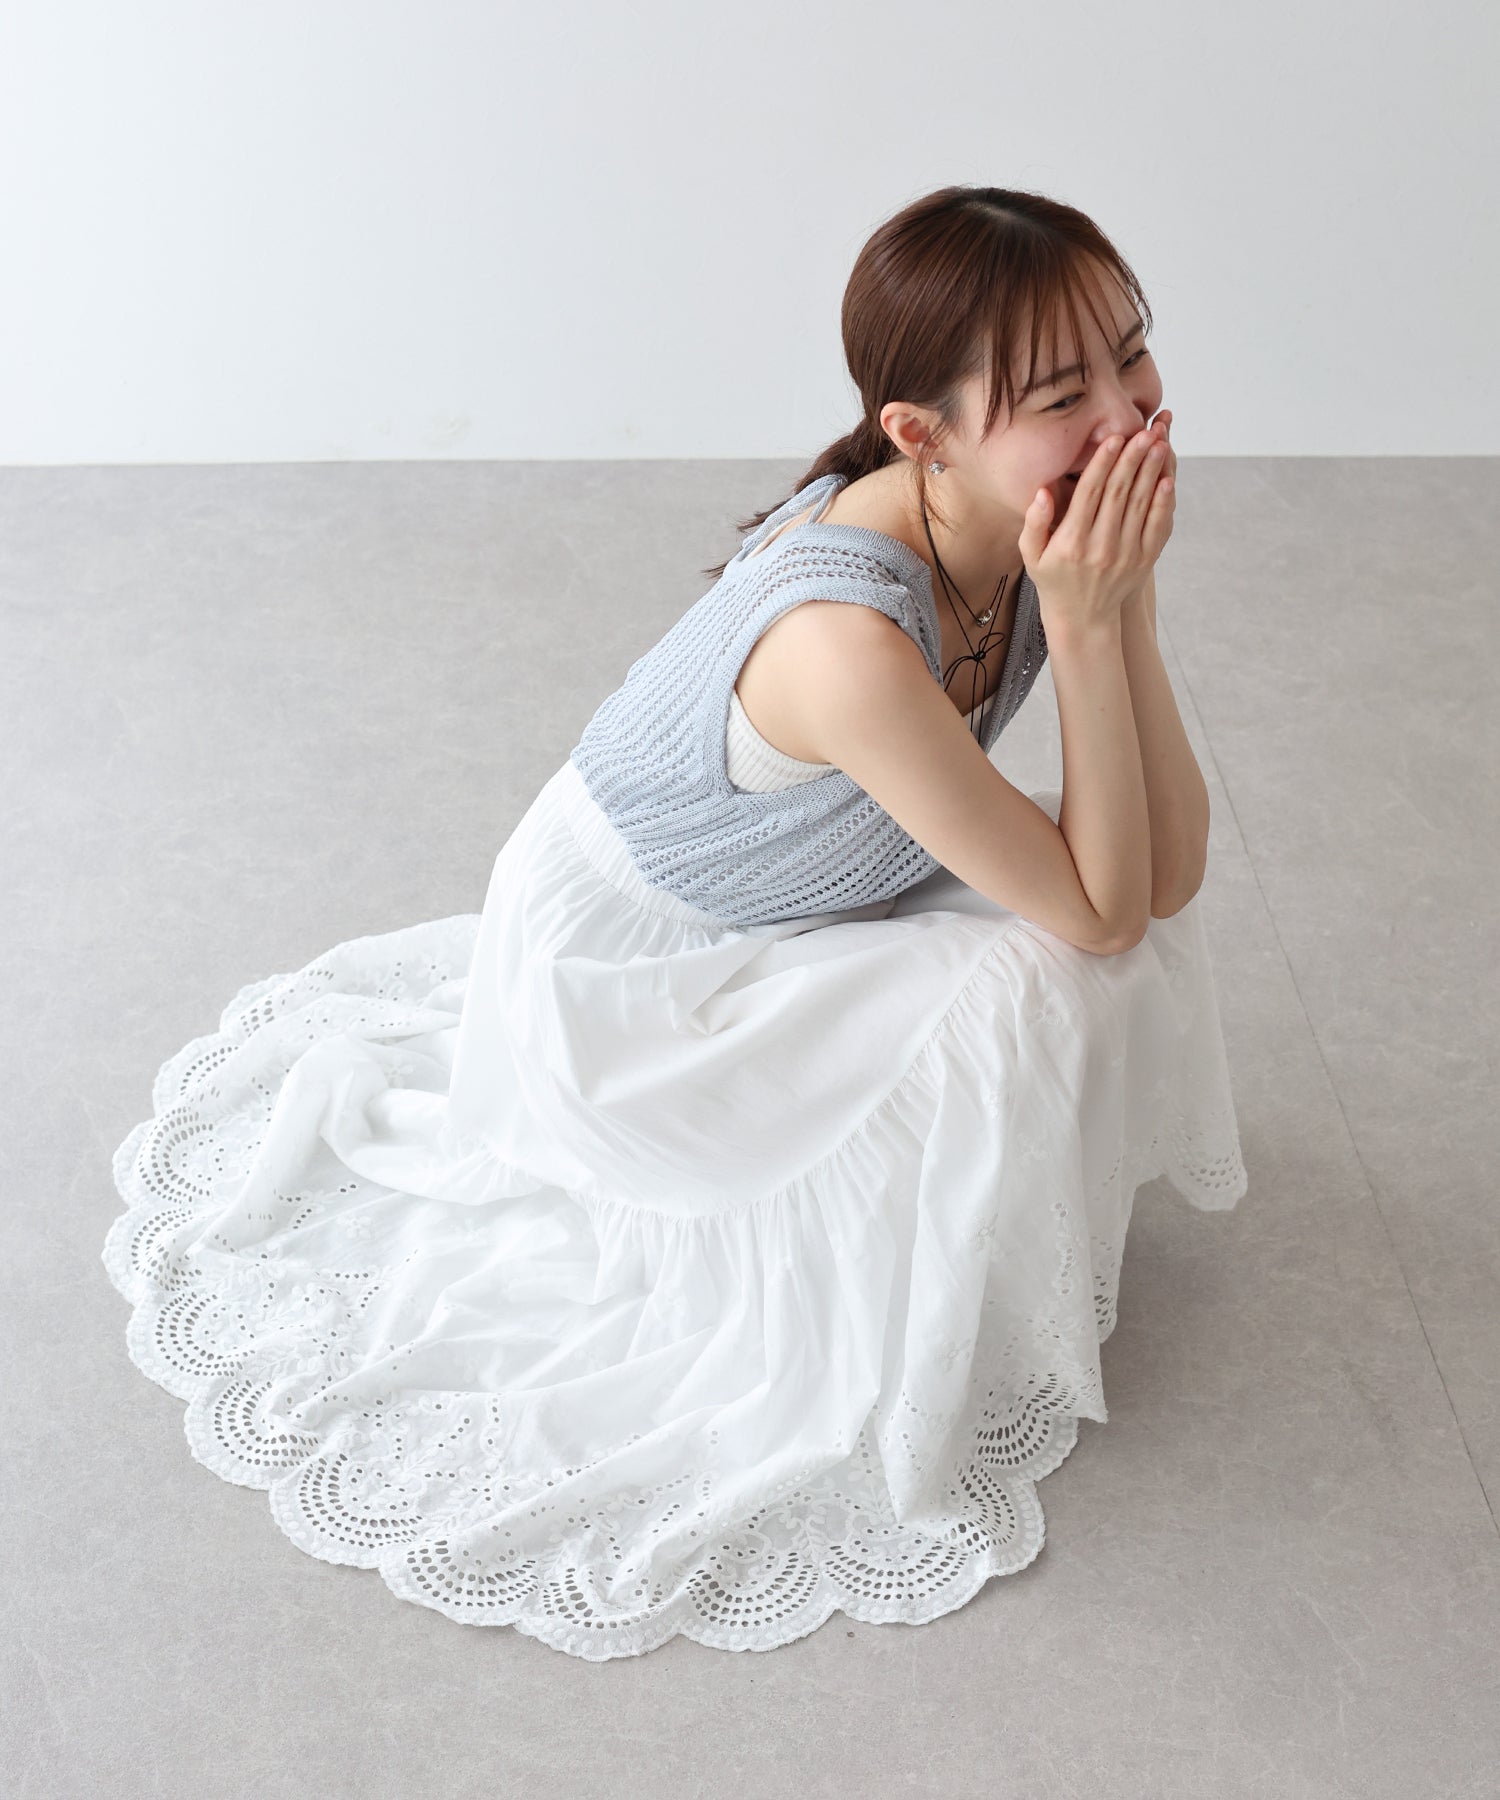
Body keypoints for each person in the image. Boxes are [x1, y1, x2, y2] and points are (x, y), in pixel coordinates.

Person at [103, 183, 1247, 1663]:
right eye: (1060, 394)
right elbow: (1098, 916)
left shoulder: (1040, 530)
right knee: (1046, 975)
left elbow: (1165, 878)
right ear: (922, 436)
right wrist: (1086, 622)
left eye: (1132, 353)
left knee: (1108, 923)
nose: (1126, 413)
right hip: (632, 984)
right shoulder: (843, 642)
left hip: (806, 890)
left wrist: (1120, 606)